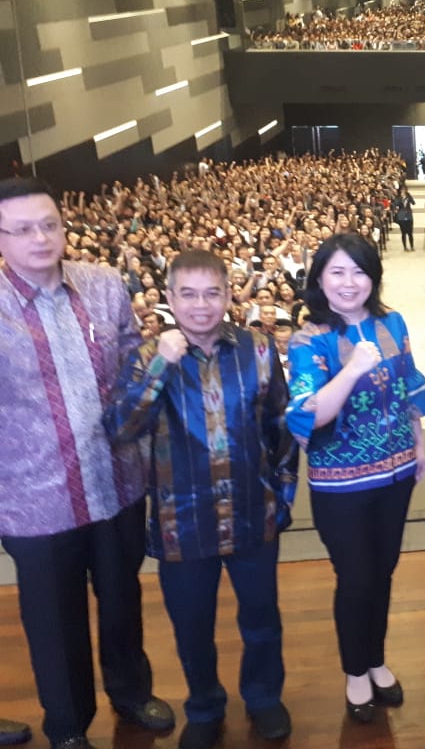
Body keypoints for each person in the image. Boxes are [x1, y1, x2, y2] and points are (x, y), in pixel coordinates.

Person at [0, 178, 174, 749]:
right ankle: (69, 726)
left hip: (118, 481)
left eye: (49, 224)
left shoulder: (102, 286)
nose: (40, 237)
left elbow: (130, 375)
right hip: (35, 499)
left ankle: (130, 694)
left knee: (123, 600)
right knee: (55, 624)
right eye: (22, 229)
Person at [104, 249, 298, 749]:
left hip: (255, 513)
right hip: (181, 522)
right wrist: (162, 367)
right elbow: (122, 427)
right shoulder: (150, 355)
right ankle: (205, 706)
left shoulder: (256, 349)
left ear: (229, 295)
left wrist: (282, 496)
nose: (200, 306)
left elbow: (280, 426)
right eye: (187, 294)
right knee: (192, 628)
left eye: (212, 292)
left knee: (262, 619)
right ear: (170, 298)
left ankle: (263, 698)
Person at [286, 233, 425, 722]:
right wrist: (350, 370)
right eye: (337, 272)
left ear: (374, 277)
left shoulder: (392, 323)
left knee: (384, 571)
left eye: (360, 272)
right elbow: (310, 415)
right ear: (320, 280)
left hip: (397, 472)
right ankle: (354, 673)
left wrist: (420, 444)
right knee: (355, 578)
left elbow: (409, 386)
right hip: (340, 483)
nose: (350, 283)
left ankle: (376, 658)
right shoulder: (309, 339)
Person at [394, 185, 416, 251]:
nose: (403, 191)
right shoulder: (398, 197)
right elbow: (396, 204)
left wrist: (408, 198)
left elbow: (413, 203)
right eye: (402, 190)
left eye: (404, 189)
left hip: (409, 215)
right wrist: (401, 198)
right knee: (403, 232)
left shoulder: (409, 196)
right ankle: (405, 247)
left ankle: (412, 246)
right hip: (401, 216)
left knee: (410, 232)